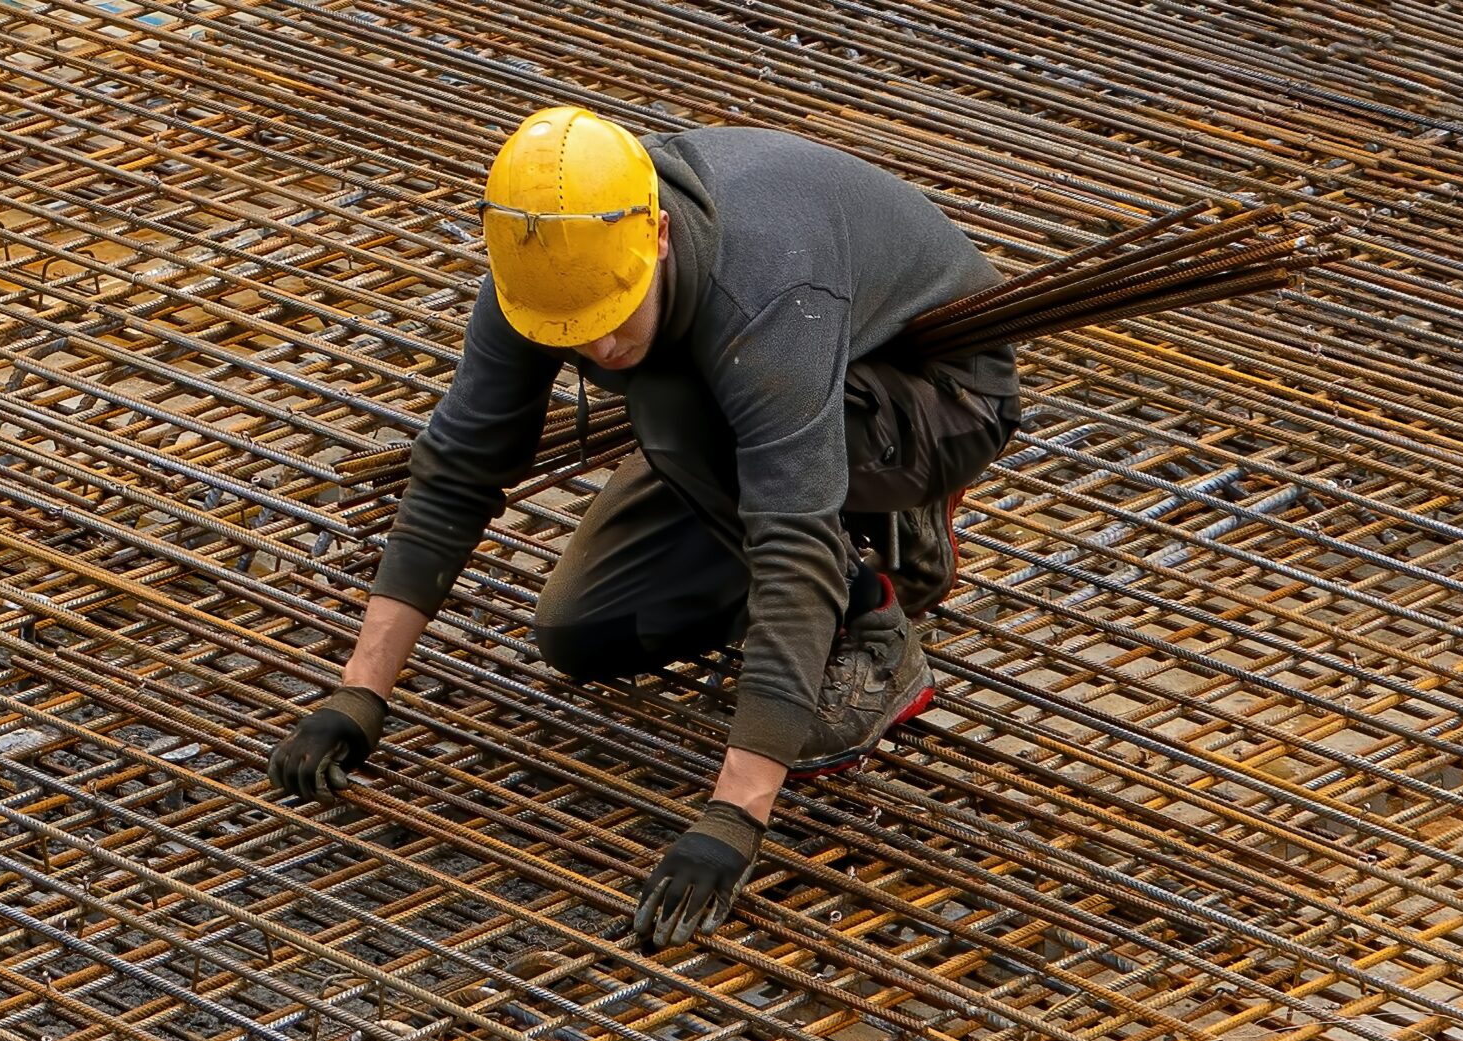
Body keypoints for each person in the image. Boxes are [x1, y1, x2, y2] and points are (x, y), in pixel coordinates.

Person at [268, 107, 1021, 950]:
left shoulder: (764, 286)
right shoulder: (541, 262)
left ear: (657, 236)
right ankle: (850, 516)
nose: (595, 344)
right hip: (749, 401)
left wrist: (734, 815)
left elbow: (791, 541)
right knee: (582, 632)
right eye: (572, 333)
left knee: (670, 398)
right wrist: (358, 693)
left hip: (935, 394)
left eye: (610, 314)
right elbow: (458, 466)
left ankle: (873, 611)